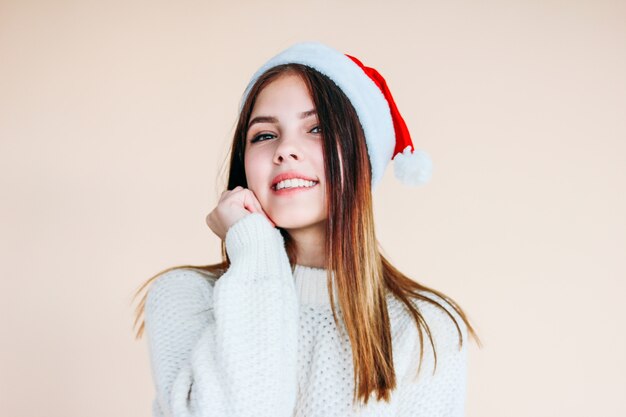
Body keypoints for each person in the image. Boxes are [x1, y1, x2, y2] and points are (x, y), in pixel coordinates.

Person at [132, 41, 481, 417]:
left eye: (316, 128)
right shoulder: (187, 297)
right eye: (264, 135)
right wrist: (256, 253)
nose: (285, 150)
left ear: (363, 157)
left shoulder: (426, 327)